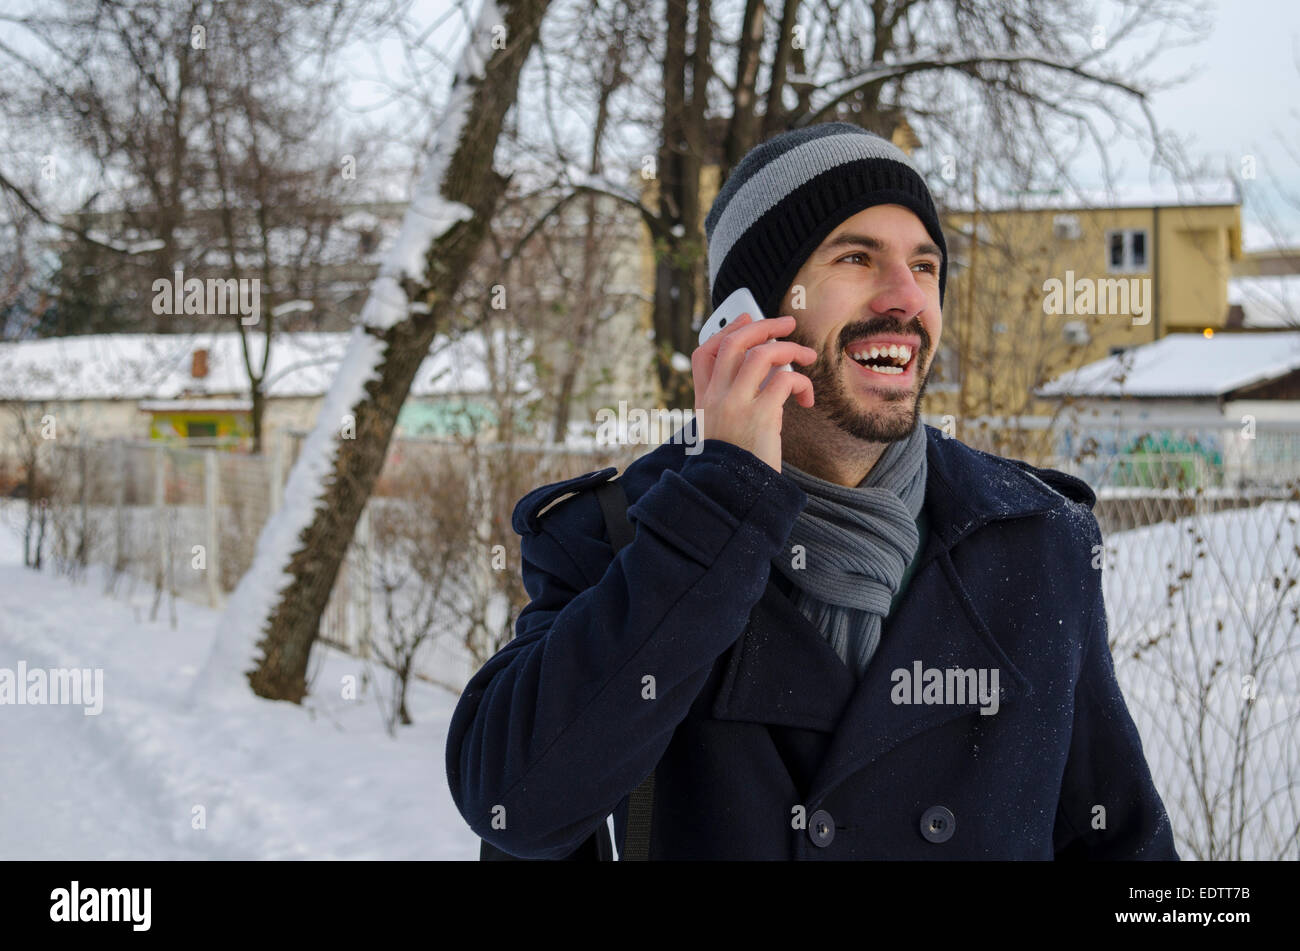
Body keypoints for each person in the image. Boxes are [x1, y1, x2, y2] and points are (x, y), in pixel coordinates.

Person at [446, 122, 1178, 860]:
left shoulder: (1038, 538)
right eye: (856, 257)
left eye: (925, 267)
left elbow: (1120, 843)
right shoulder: (618, 533)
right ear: (748, 316)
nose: (905, 298)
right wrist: (721, 499)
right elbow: (512, 805)